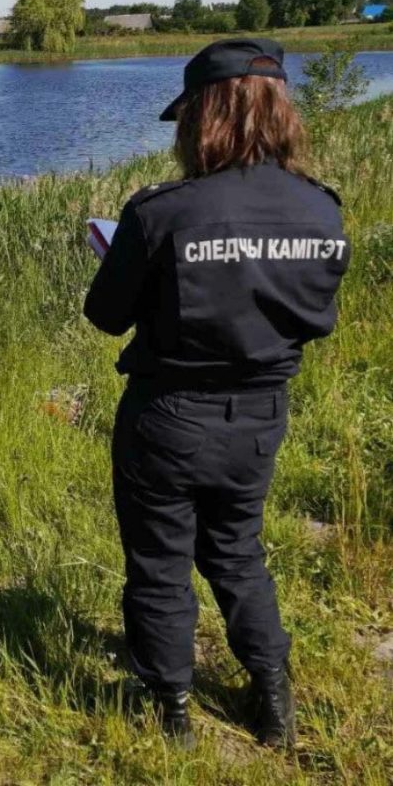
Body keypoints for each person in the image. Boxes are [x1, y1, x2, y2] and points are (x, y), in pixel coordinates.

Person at [84, 38, 350, 749]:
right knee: (236, 550)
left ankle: (170, 708)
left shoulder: (161, 212)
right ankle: (272, 696)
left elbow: (105, 315)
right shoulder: (320, 210)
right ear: (281, 112)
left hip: (168, 416)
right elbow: (312, 316)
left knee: (160, 560)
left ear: (202, 116)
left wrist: (132, 263)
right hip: (260, 416)